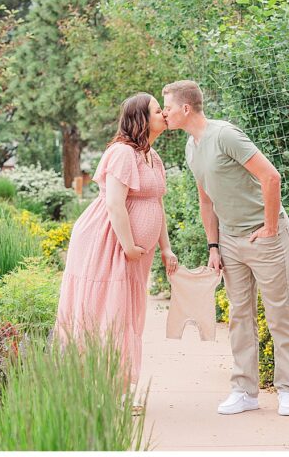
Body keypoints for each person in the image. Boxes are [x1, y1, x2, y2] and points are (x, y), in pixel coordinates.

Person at [161, 80, 289, 417]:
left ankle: (288, 391)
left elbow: (271, 177)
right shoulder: (191, 148)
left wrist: (269, 228)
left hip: (263, 237)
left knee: (280, 314)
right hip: (230, 242)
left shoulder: (225, 135)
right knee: (240, 317)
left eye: (166, 106)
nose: (163, 112)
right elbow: (205, 199)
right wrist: (214, 245)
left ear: (185, 108)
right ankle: (244, 391)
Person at [55, 92, 178, 408]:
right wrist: (128, 246)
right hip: (110, 242)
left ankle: (117, 388)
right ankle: (104, 390)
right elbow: (113, 202)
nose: (163, 113)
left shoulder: (153, 155)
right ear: (141, 119)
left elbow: (156, 203)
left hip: (136, 252)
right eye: (156, 110)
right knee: (108, 313)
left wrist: (165, 248)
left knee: (126, 316)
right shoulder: (123, 153)